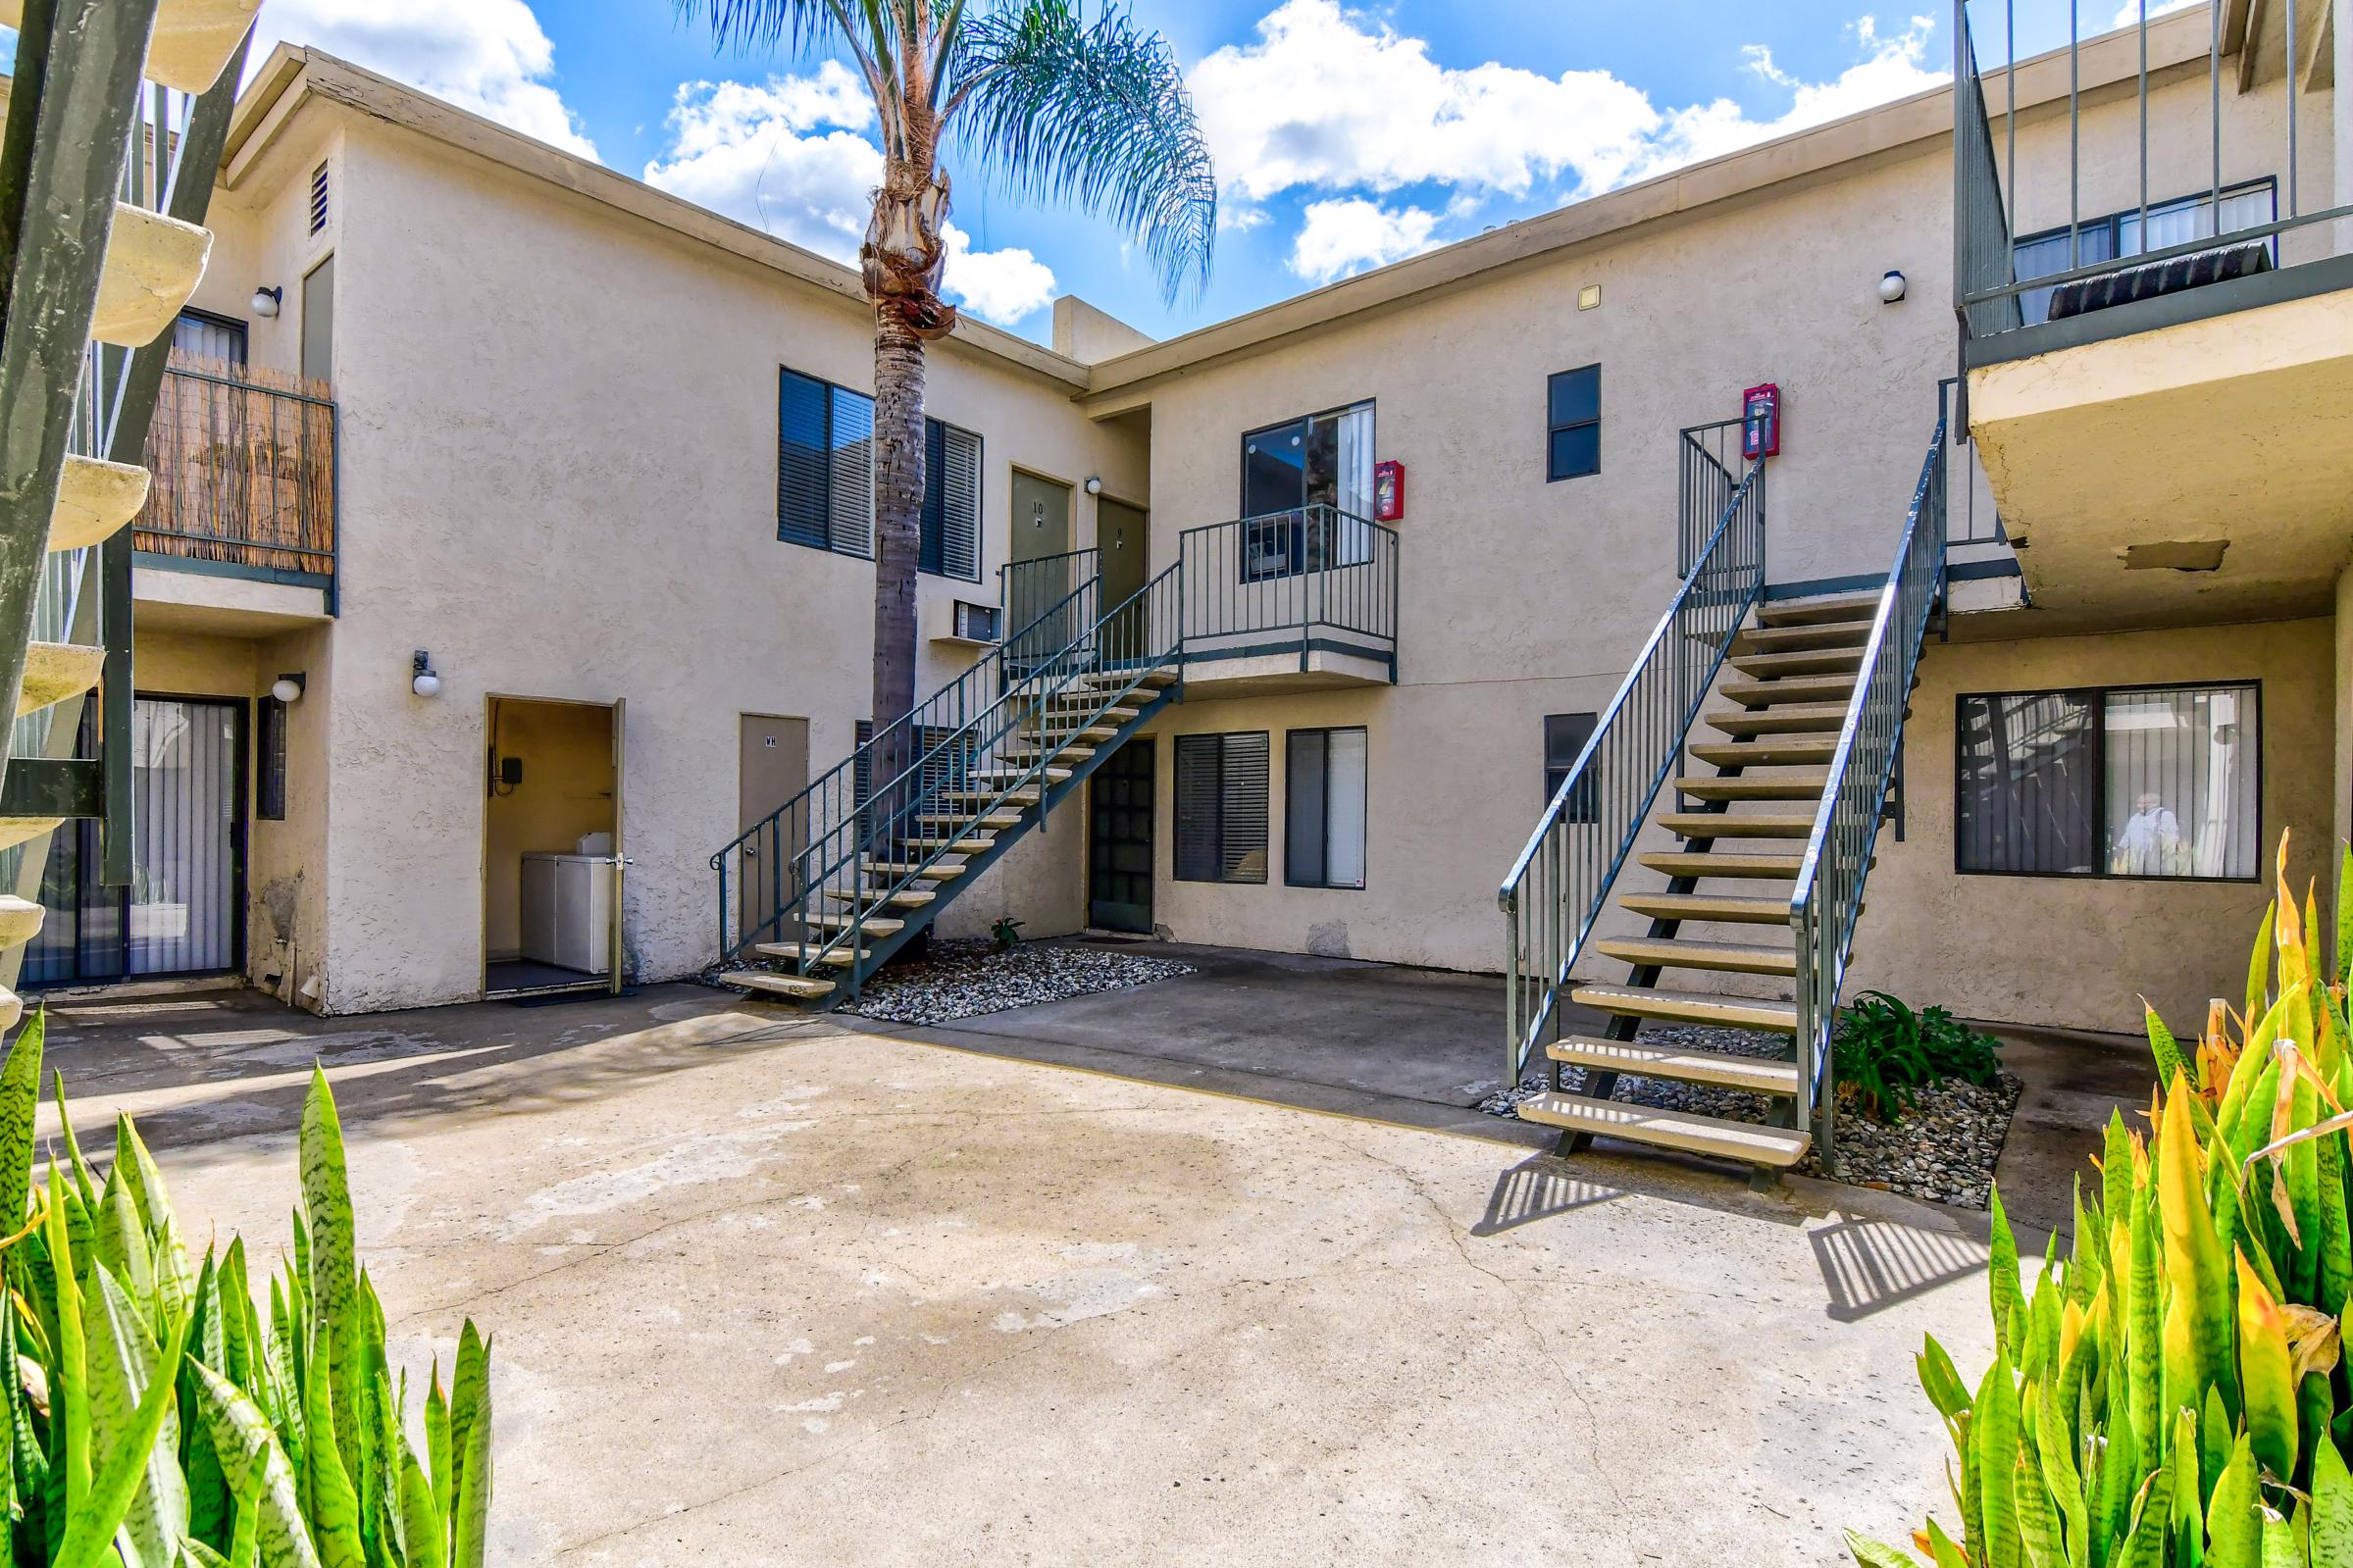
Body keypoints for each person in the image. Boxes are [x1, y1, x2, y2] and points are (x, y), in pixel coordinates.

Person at [2113, 791, 2181, 876]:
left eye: (2143, 803)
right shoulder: (2136, 817)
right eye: (2138, 803)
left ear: (2155, 803)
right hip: (2135, 862)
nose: (2138, 806)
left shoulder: (2165, 815)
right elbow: (2127, 837)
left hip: (2156, 863)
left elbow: (2171, 839)